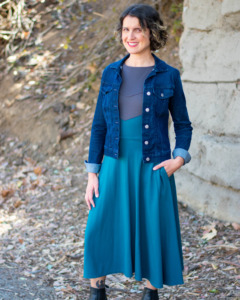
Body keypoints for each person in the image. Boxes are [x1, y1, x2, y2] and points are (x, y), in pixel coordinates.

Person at [83, 3, 193, 300]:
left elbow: (183, 125)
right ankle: (97, 291)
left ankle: (150, 292)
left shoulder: (169, 75)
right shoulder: (110, 74)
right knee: (98, 228)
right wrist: (93, 173)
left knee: (152, 229)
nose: (130, 36)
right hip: (114, 164)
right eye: (126, 30)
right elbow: (98, 126)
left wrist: (179, 159)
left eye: (138, 30)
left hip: (153, 166)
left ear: (151, 33)